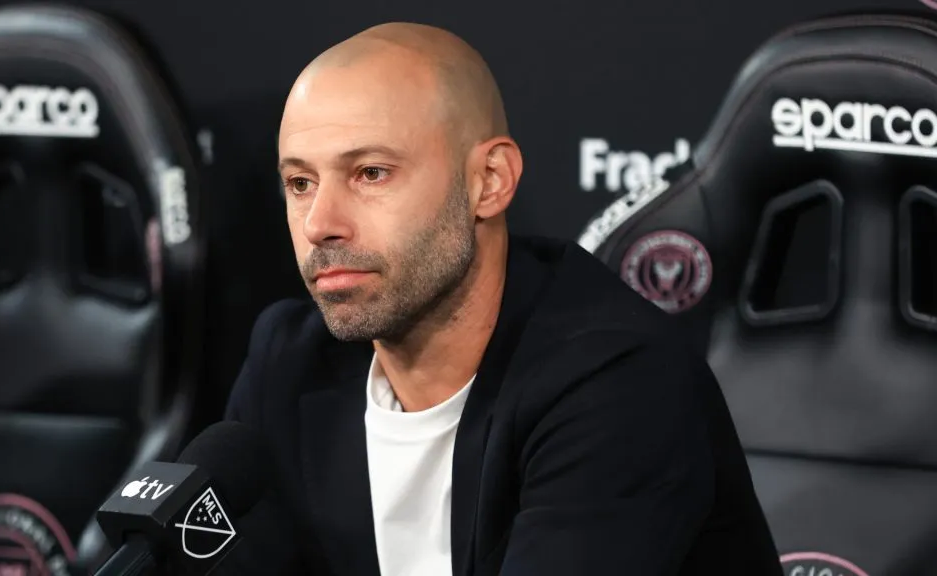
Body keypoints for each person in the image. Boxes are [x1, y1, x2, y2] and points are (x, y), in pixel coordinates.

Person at [223, 21, 782, 576]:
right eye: (300, 183)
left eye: (371, 173)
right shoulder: (290, 363)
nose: (319, 224)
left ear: (489, 180)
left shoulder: (617, 382)